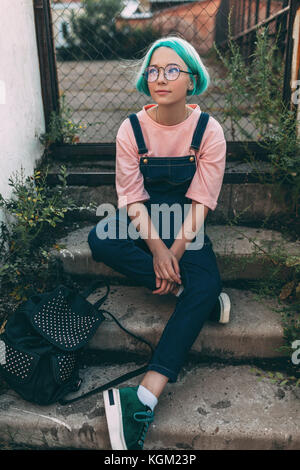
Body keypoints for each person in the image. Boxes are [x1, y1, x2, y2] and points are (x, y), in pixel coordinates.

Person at [88, 36, 230, 450]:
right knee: (101, 237)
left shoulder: (209, 130)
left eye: (172, 70)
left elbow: (203, 201)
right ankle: (194, 293)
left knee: (205, 281)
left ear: (192, 80)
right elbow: (131, 198)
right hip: (146, 219)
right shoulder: (131, 129)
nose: (160, 78)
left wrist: (176, 250)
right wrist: (157, 250)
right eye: (153, 70)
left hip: (187, 222)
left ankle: (143, 396)